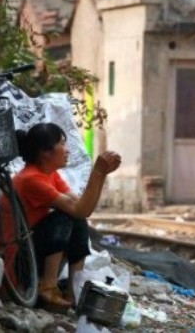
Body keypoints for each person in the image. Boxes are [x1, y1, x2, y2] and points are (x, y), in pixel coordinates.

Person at [13, 123, 121, 311]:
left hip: (33, 250)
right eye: (62, 144)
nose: (67, 150)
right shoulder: (31, 179)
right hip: (18, 260)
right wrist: (97, 172)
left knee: (77, 220)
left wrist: (101, 174)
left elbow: (82, 209)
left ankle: (72, 292)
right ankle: (48, 287)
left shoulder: (50, 175)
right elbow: (78, 208)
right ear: (45, 152)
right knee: (64, 215)